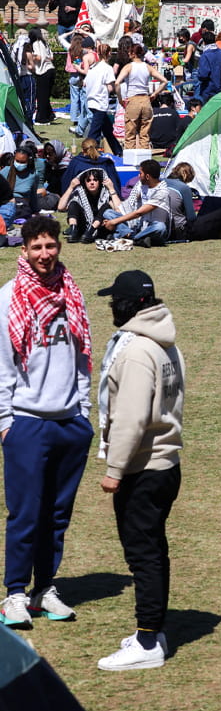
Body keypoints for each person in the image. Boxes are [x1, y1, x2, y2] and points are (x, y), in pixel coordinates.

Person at [0, 216, 94, 632]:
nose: (44, 254)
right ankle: (14, 593)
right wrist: (6, 422)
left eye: (50, 246)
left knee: (57, 514)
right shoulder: (8, 298)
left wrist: (84, 413)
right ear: (24, 250)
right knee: (25, 514)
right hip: (26, 423)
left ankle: (45, 588)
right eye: (36, 247)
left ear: (59, 247)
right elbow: (2, 366)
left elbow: (82, 356)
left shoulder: (71, 292)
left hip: (69, 421)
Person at [91, 270, 185, 671]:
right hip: (166, 462)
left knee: (142, 554)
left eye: (115, 301)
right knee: (154, 550)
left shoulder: (134, 352)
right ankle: (153, 630)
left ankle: (147, 640)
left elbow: (129, 418)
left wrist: (114, 469)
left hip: (142, 468)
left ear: (130, 305)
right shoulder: (166, 343)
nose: (112, 306)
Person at [105, 160, 186, 248]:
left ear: (147, 176)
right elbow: (128, 206)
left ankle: (129, 237)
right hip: (138, 225)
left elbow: (139, 213)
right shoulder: (141, 185)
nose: (138, 176)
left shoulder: (162, 192)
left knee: (160, 227)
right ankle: (135, 237)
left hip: (152, 227)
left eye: (140, 173)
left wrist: (114, 222)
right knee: (108, 213)